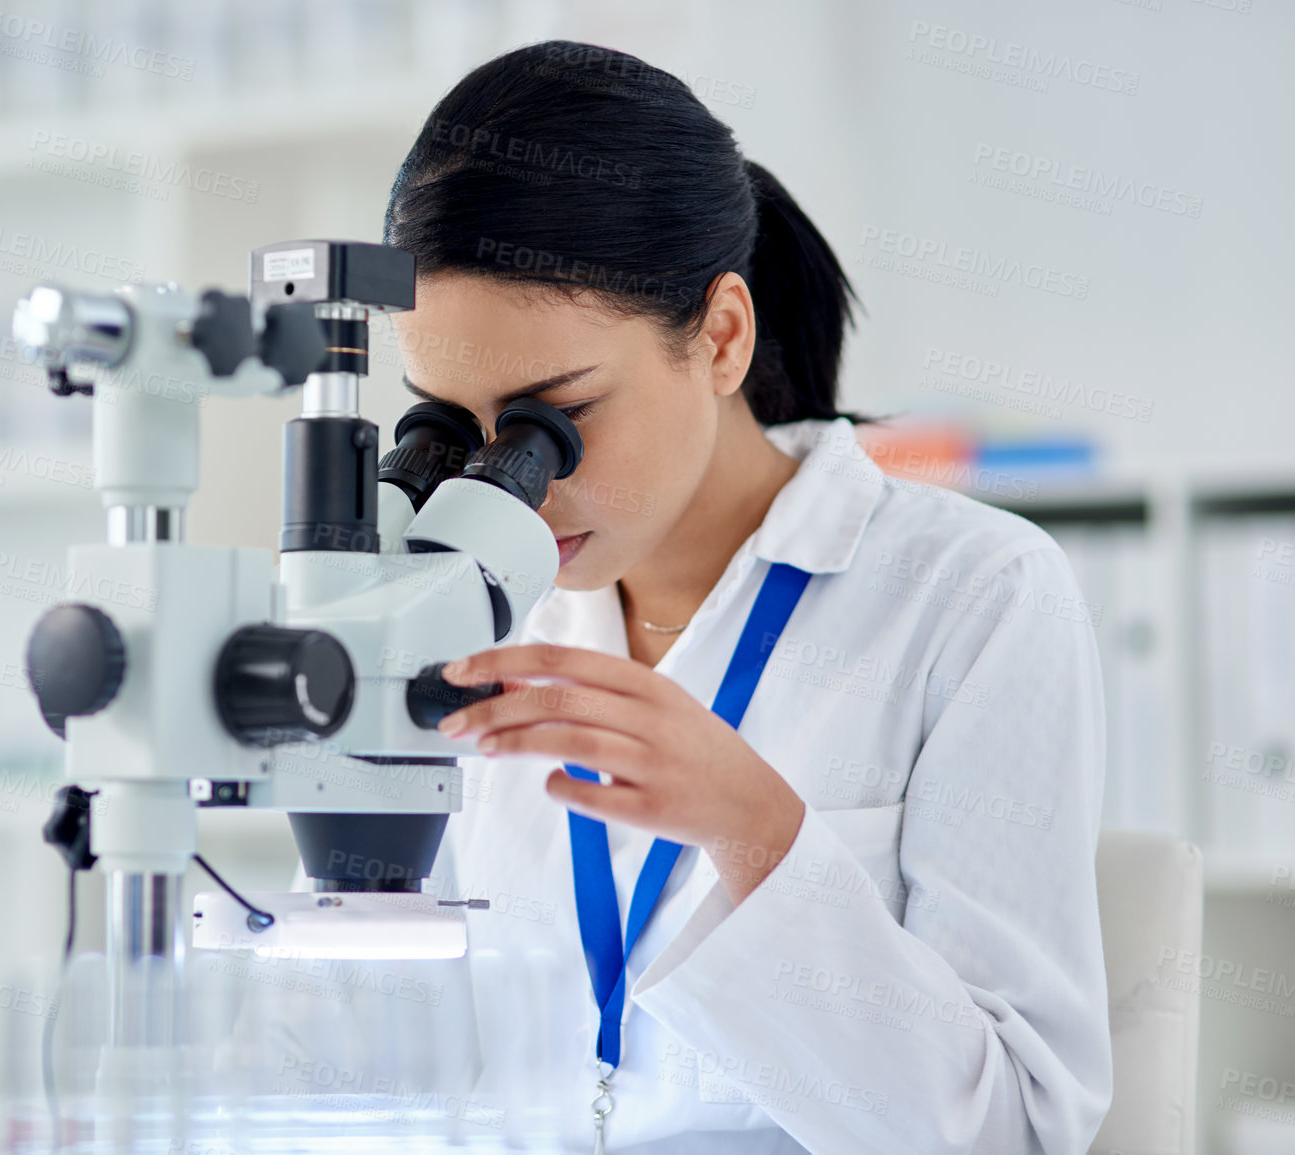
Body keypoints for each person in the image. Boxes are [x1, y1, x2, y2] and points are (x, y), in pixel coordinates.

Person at [384, 39, 1112, 1154]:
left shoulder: (973, 597)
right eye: (450, 429)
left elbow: (1011, 1131)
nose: (509, 495)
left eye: (550, 421)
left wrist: (756, 831)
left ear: (721, 337)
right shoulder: (464, 603)